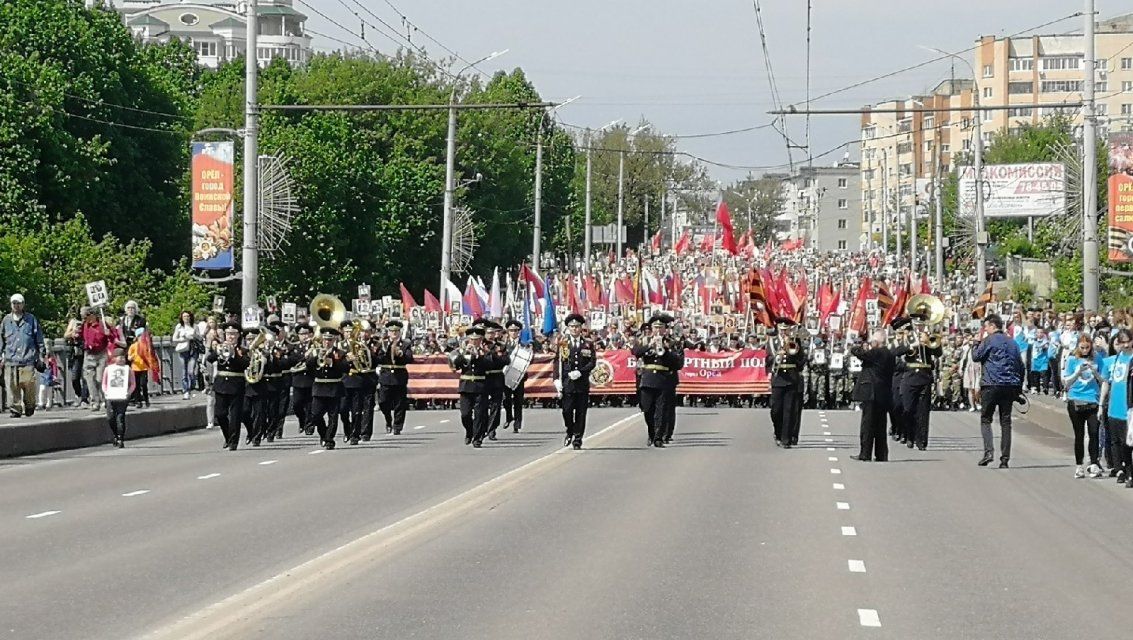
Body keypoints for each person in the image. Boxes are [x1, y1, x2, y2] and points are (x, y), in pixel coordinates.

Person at [971, 314, 1025, 469]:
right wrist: (1018, 388)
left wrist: (975, 343)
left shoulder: (989, 340)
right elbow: (1021, 366)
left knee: (986, 419)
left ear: (993, 326)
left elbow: (976, 356)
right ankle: (1005, 459)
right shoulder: (1013, 342)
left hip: (991, 384)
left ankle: (988, 452)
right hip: (1009, 386)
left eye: (986, 327)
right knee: (1005, 422)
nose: (985, 330)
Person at [632, 314, 685, 447]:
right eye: (655, 327)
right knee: (647, 408)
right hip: (648, 378)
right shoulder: (644, 340)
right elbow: (635, 351)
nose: (657, 330)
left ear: (665, 329)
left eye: (660, 328)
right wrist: (650, 346)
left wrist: (665, 351)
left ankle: (658, 437)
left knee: (661, 409)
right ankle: (651, 432)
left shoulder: (672, 343)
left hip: (663, 379)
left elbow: (678, 363)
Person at [1062, 335, 1106, 479]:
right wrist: (1077, 372)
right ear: (1078, 347)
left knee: (1094, 432)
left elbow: (1103, 380)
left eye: (1088, 347)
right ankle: (1079, 465)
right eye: (1082, 347)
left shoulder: (1097, 358)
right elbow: (1066, 383)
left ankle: (1093, 463)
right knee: (1079, 435)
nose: (1085, 350)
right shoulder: (1072, 359)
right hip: (1076, 400)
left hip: (1092, 400)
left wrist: (1095, 372)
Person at [850, 330, 895, 462]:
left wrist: (858, 344)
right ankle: (881, 454)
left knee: (868, 424)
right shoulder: (890, 354)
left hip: (871, 393)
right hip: (884, 393)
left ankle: (865, 453)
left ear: (877, 341)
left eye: (873, 341)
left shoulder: (876, 352)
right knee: (881, 425)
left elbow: (858, 353)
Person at [555, 314, 596, 450]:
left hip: (581, 384)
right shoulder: (563, 343)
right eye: (572, 326)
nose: (574, 329)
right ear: (568, 328)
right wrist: (556, 379)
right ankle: (570, 430)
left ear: (581, 328)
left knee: (581, 412)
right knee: (566, 411)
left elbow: (592, 362)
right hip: (567, 383)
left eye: (577, 326)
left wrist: (582, 372)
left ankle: (577, 439)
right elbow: (557, 362)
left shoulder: (588, 344)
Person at [2, 293, 46, 418]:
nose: (16, 306)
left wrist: (41, 354)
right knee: (12, 386)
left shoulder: (31, 319)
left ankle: (30, 405)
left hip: (27, 359)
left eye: (19, 303)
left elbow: (39, 339)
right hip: (11, 359)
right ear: (11, 305)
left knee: (28, 384)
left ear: (23, 304)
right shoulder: (6, 320)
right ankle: (15, 409)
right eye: (14, 303)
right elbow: (1, 340)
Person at [206, 323, 249, 451]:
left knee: (235, 415)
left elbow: (246, 364)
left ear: (238, 335)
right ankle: (228, 436)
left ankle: (233, 442)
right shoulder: (220, 347)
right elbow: (210, 359)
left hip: (236, 384)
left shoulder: (243, 350)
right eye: (228, 334)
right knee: (220, 414)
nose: (231, 337)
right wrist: (218, 351)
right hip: (221, 384)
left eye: (233, 334)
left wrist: (234, 354)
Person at [306, 327, 348, 450]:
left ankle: (329, 440)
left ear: (334, 340)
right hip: (319, 387)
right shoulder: (315, 351)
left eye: (329, 340)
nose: (327, 342)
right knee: (315, 415)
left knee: (333, 416)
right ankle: (323, 434)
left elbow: (346, 368)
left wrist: (332, 363)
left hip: (334, 387)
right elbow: (308, 366)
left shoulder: (339, 353)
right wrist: (315, 357)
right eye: (325, 339)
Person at [1101, 329, 1133, 486]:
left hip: (1128, 408)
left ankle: (1129, 471)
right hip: (1113, 406)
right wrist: (1101, 405)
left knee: (1128, 442)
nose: (1126, 345)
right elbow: (1106, 382)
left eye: (1129, 341)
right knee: (1115, 441)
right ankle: (1119, 469)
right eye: (1123, 342)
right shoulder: (1114, 360)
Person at [769, 322, 806, 448]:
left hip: (791, 378)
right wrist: (775, 357)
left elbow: (801, 360)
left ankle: (786, 439)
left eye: (786, 329)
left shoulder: (795, 341)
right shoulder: (772, 342)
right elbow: (766, 359)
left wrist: (793, 355)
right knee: (775, 410)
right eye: (781, 329)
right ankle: (778, 432)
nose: (783, 331)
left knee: (789, 410)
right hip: (778, 379)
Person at [375, 319, 414, 436]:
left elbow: (409, 359)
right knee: (383, 401)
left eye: (396, 331)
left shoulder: (405, 344)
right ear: (388, 332)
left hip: (399, 375)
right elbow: (377, 359)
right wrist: (384, 350)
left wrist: (401, 354)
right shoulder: (383, 344)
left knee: (400, 403)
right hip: (386, 375)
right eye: (392, 331)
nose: (394, 334)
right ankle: (388, 419)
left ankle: (397, 426)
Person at [80, 307, 113, 412]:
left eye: (87, 316)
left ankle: (104, 399)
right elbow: (80, 337)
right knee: (90, 379)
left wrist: (109, 333)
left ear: (93, 315)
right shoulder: (85, 325)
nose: (85, 319)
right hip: (89, 354)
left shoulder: (102, 324)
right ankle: (95, 402)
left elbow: (112, 337)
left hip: (101, 354)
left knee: (100, 379)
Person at [101, 348, 136, 448]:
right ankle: (115, 435)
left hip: (122, 397)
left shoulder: (128, 369)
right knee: (110, 418)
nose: (121, 359)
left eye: (123, 357)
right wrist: (106, 392)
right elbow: (104, 383)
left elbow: (133, 384)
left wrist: (128, 393)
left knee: (120, 418)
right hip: (110, 397)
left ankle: (121, 438)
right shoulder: (108, 369)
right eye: (119, 357)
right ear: (114, 358)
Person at [502, 320, 526, 433]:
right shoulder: (503, 344)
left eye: (516, 330)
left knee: (518, 400)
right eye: (511, 330)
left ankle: (517, 422)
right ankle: (508, 417)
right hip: (506, 375)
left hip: (519, 375)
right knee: (506, 399)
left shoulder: (524, 344)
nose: (513, 333)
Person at [63, 306, 88, 406]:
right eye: (82, 312)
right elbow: (66, 335)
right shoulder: (74, 322)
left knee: (87, 376)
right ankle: (79, 394)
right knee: (75, 376)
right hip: (76, 351)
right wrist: (74, 332)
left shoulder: (90, 322)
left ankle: (85, 398)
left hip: (88, 350)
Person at [173, 310, 200, 400]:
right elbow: (174, 338)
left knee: (191, 371)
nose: (186, 318)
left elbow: (199, 338)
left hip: (193, 350)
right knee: (184, 371)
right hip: (183, 350)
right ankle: (186, 391)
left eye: (188, 316)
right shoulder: (179, 326)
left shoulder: (195, 326)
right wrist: (183, 339)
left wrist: (193, 336)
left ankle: (192, 384)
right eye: (184, 316)